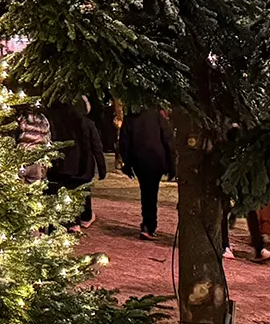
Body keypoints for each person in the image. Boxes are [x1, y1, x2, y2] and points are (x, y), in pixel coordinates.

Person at [45, 97, 107, 228]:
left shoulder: (59, 122)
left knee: (64, 193)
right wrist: (102, 168)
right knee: (81, 193)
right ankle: (80, 220)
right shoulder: (87, 123)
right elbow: (96, 146)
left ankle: (70, 222)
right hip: (83, 165)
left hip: (64, 165)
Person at [117, 105, 175, 240]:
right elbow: (168, 140)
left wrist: (127, 163)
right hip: (156, 159)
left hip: (139, 160)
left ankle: (148, 224)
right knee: (151, 192)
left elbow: (124, 142)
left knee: (147, 191)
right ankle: (149, 225)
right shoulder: (156, 115)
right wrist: (172, 164)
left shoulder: (130, 117)